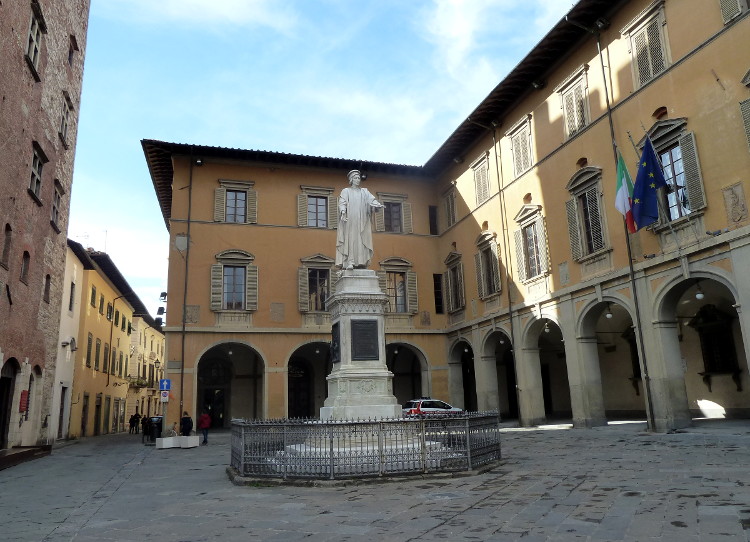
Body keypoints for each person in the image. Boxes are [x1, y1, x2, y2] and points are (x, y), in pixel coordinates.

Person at [335, 169, 384, 270]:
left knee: (362, 240)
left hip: (363, 220)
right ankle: (350, 261)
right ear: (351, 180)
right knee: (351, 240)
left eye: (358, 178)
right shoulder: (346, 191)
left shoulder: (364, 192)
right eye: (356, 178)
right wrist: (343, 212)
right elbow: (342, 202)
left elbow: (372, 200)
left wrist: (377, 205)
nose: (358, 180)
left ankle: (362, 262)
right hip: (351, 220)